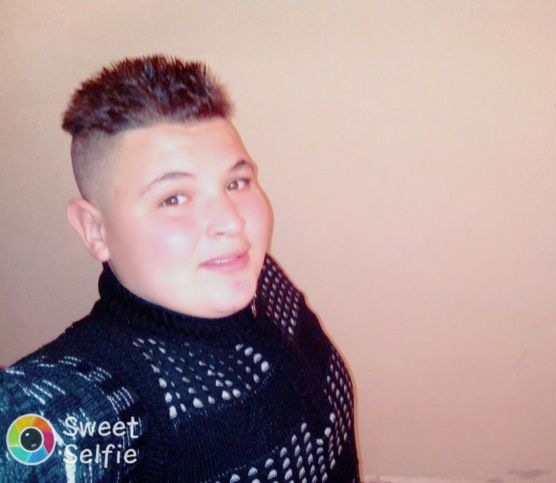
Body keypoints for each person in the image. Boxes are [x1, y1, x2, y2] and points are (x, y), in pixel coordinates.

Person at [0, 55, 360, 482]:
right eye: (174, 198)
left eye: (236, 183)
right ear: (95, 230)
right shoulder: (110, 388)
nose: (232, 221)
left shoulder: (248, 272)